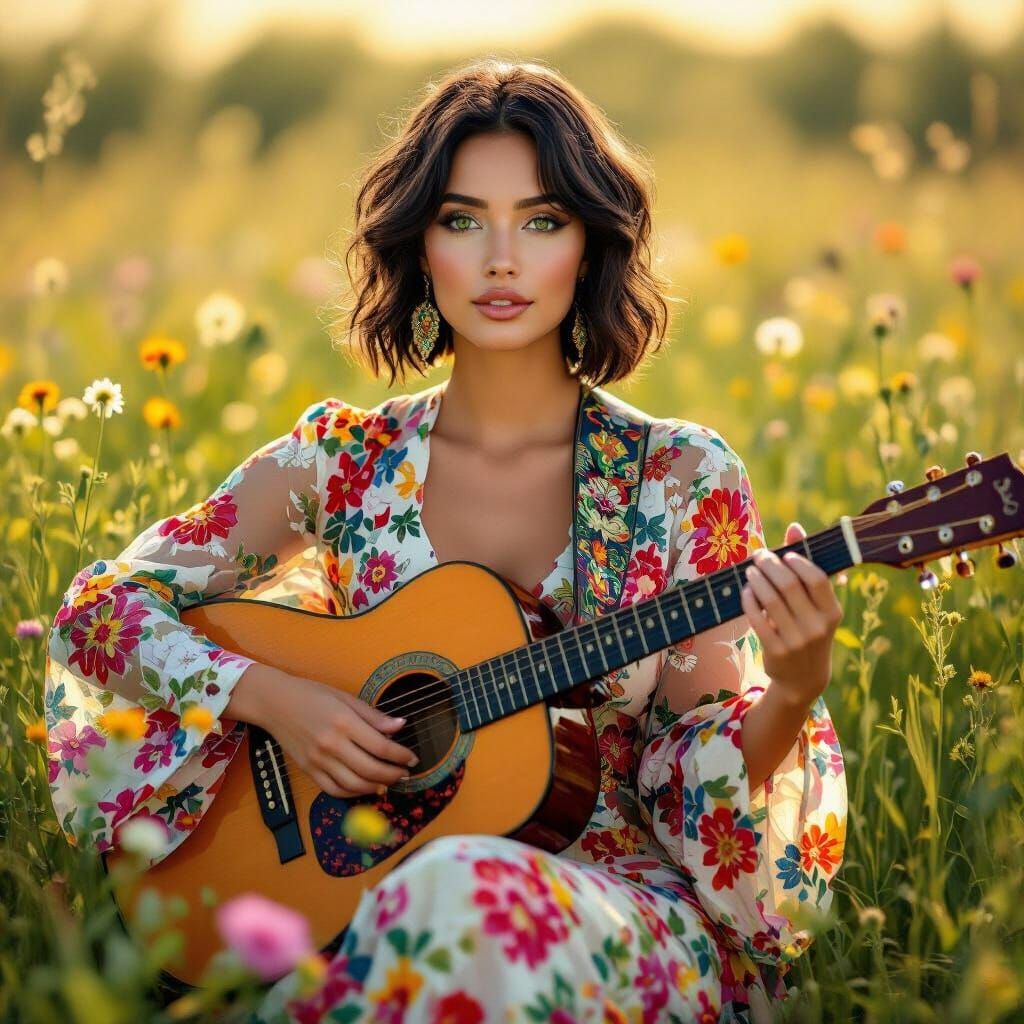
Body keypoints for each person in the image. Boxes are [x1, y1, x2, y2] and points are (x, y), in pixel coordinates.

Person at [45, 58, 848, 1024]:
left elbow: (696, 774)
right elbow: (101, 612)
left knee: (457, 893)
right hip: (357, 907)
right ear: (420, 246)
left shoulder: (678, 479)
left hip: (611, 909)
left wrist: (794, 688)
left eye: (542, 221)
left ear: (589, 247)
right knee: (421, 905)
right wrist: (279, 701)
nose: (501, 259)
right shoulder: (340, 462)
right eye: (464, 220)